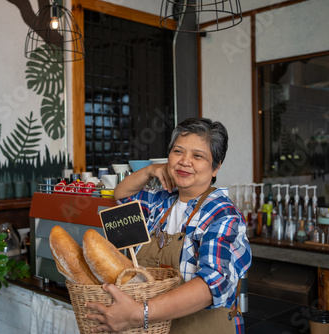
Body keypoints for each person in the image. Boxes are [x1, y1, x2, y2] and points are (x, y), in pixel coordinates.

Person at [85, 117, 252, 334]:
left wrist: (138, 313)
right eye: (178, 151)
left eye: (198, 156)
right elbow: (120, 194)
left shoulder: (223, 215)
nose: (185, 161)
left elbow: (211, 285)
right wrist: (150, 170)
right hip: (155, 328)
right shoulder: (160, 201)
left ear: (216, 167)